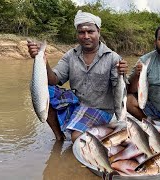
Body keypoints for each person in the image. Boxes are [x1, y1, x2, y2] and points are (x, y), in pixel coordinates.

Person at [27, 10, 128, 142]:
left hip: (100, 109)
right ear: (77, 34)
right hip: (77, 103)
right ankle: (59, 137)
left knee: (77, 138)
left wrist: (123, 73)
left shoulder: (113, 58)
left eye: (90, 31)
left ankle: (106, 129)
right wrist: (42, 60)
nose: (86, 36)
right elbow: (54, 79)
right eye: (81, 32)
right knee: (43, 90)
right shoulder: (70, 55)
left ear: (99, 32)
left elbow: (121, 91)